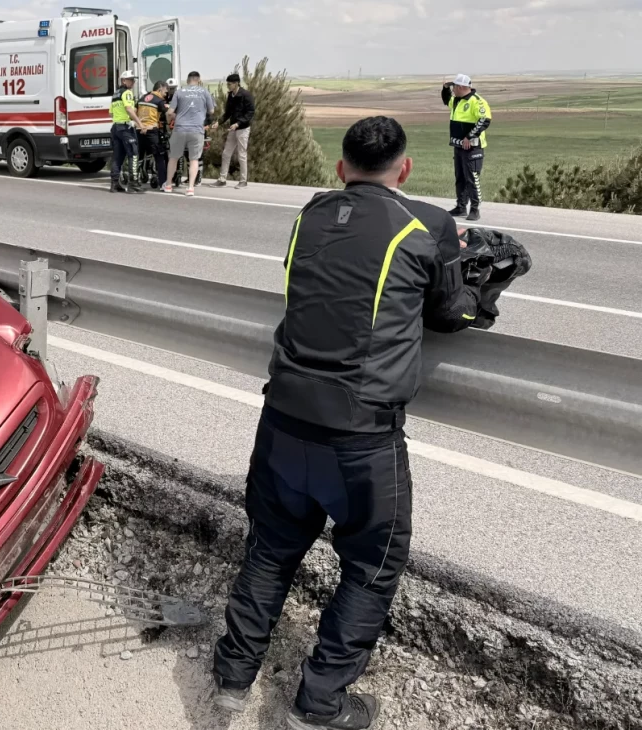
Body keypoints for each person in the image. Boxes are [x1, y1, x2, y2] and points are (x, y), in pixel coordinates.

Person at [212, 116, 486, 730]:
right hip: (362, 438)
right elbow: (448, 313)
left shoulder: (308, 214)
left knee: (270, 550)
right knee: (371, 566)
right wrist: (480, 286)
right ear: (405, 169)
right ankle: (318, 704)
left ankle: (231, 680)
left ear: (341, 169)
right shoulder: (428, 223)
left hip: (282, 421)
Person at [441, 74, 492, 221]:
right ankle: (461, 207)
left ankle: (475, 209)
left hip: (473, 148)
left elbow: (484, 121)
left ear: (461, 87)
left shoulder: (477, 102)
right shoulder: (456, 101)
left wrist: (469, 137)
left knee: (472, 178)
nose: (453, 90)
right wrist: (444, 89)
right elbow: (446, 100)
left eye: (453, 87)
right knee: (460, 178)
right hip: (458, 146)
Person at [165, 71, 215, 196]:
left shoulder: (179, 92)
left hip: (180, 128)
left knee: (173, 158)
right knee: (194, 160)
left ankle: (168, 185)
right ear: (199, 80)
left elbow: (170, 112)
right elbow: (212, 110)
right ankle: (191, 188)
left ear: (187, 80)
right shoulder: (204, 92)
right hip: (197, 130)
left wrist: (172, 118)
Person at [215, 73, 256, 188]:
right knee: (226, 153)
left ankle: (243, 181)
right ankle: (222, 179)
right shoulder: (230, 96)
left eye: (229, 84)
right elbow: (227, 113)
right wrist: (219, 122)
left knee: (242, 155)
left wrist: (238, 124)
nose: (228, 86)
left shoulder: (246, 95)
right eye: (227, 84)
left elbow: (250, 113)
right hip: (233, 128)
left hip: (242, 129)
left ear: (236, 83)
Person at [109, 70, 145, 194]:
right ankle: (133, 184)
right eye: (131, 80)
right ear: (124, 81)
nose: (133, 82)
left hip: (116, 128)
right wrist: (140, 124)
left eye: (133, 80)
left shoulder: (115, 94)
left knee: (117, 156)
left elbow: (111, 113)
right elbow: (129, 110)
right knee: (133, 154)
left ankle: (114, 184)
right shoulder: (127, 93)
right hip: (126, 128)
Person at [137, 80, 173, 189]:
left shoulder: (142, 98)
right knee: (159, 156)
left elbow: (134, 111)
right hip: (152, 131)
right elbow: (169, 114)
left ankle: (134, 180)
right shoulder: (159, 101)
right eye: (165, 92)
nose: (166, 94)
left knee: (139, 157)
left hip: (139, 130)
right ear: (160, 89)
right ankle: (163, 183)